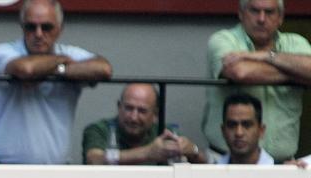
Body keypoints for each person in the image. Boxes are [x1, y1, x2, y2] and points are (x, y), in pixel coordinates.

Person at [0, 0, 112, 164]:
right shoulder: (3, 51)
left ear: (60, 29)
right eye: (31, 27)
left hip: (54, 170)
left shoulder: (69, 52)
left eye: (46, 27)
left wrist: (56, 70)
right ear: (22, 27)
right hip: (4, 166)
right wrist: (63, 62)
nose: (38, 34)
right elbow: (26, 69)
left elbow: (103, 69)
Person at [201, 0, 311, 163]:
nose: (261, 18)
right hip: (226, 161)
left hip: (283, 164)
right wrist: (293, 72)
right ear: (241, 13)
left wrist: (268, 55)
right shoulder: (223, 39)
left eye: (269, 12)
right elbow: (240, 72)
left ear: (280, 17)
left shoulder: (295, 43)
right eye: (254, 11)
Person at [82, 83, 206, 165]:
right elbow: (94, 160)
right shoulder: (100, 130)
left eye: (142, 111)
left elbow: (206, 167)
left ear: (155, 115)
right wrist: (148, 153)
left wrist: (192, 151)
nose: (133, 117)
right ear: (119, 107)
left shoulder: (166, 133)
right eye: (128, 108)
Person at [218, 92, 275, 164]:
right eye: (232, 125)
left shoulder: (280, 173)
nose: (239, 133)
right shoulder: (212, 172)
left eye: (247, 125)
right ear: (223, 131)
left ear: (261, 130)